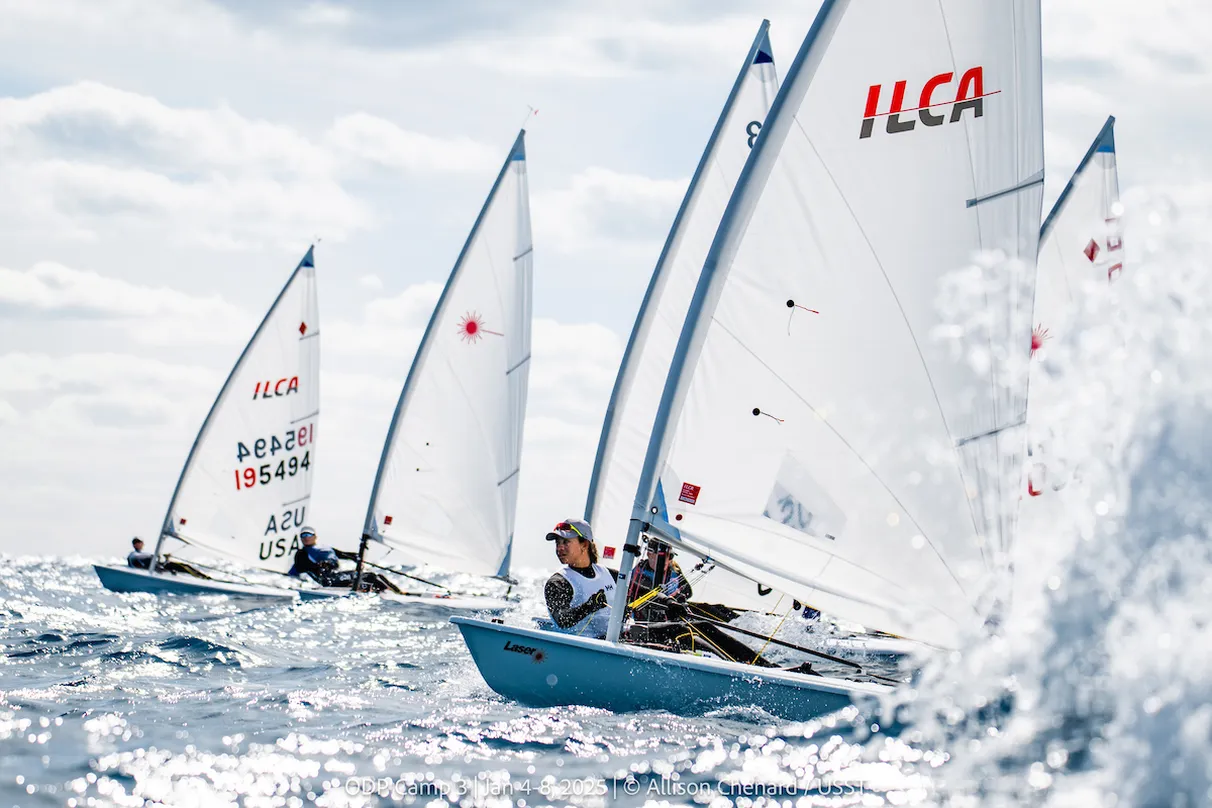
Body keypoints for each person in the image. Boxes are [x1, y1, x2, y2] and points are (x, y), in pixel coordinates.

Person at [543, 519, 616, 638]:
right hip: (579, 649)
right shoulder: (558, 583)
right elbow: (562, 620)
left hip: (615, 644)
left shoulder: (612, 575)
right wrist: (589, 606)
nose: (559, 548)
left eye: (566, 542)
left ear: (584, 545)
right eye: (557, 543)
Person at [287, 526, 401, 593]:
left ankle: (398, 593)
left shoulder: (326, 548)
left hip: (337, 576)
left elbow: (343, 554)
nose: (306, 537)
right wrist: (320, 565)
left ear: (315, 536)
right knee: (370, 577)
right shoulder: (301, 554)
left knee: (376, 576)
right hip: (328, 580)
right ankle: (390, 594)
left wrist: (357, 557)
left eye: (308, 534)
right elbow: (300, 567)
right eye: (303, 535)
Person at [626, 538, 693, 622]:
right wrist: (666, 599)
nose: (666, 559)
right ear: (649, 554)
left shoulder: (674, 570)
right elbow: (639, 592)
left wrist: (676, 596)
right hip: (646, 617)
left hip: (670, 614)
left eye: (670, 555)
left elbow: (688, 592)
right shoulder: (640, 570)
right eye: (661, 556)